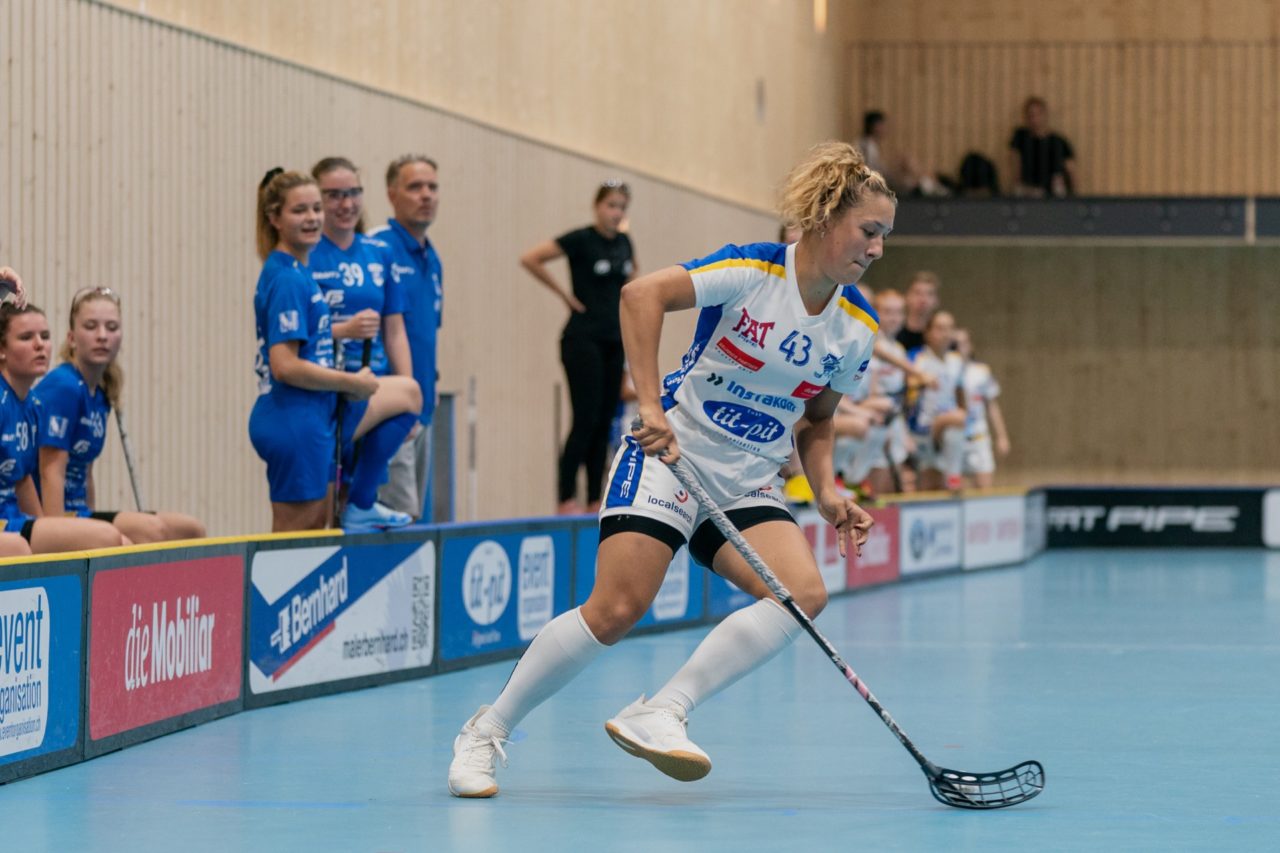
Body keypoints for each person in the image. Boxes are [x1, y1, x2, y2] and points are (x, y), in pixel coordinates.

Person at [447, 140, 890, 798]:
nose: (878, 248)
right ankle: (485, 732)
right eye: (870, 230)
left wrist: (826, 491)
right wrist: (650, 404)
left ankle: (663, 709)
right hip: (670, 454)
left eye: (885, 235)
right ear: (827, 220)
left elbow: (819, 419)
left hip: (744, 480)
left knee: (801, 595)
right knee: (616, 609)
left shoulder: (857, 325)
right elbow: (639, 294)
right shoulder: (751, 269)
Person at [249, 169, 420, 533]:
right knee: (297, 541)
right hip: (295, 417)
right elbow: (284, 366)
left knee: (408, 393)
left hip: (316, 411)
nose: (311, 218)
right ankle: (360, 504)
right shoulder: (287, 279)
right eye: (299, 211)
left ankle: (361, 502)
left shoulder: (299, 270)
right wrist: (349, 383)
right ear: (275, 218)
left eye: (315, 209)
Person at [33, 287, 206, 542]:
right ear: (71, 337)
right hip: (56, 514)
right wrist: (59, 540)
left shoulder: (101, 393)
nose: (102, 336)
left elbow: (86, 473)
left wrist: (90, 518)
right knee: (141, 534)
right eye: (91, 326)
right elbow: (50, 472)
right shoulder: (64, 386)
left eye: (112, 328)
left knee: (190, 529)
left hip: (79, 510)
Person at [309, 157, 420, 508]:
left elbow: (395, 331)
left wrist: (406, 386)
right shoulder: (308, 255)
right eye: (335, 195)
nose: (347, 204)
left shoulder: (378, 254)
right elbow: (299, 333)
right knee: (326, 501)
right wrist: (344, 329)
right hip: (327, 385)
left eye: (354, 193)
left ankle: (362, 502)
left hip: (373, 380)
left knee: (409, 400)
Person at [520, 181, 637, 514]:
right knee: (585, 418)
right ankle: (566, 496)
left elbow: (634, 279)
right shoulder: (581, 240)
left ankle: (594, 498)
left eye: (622, 207)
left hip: (614, 339)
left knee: (604, 419)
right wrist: (564, 295)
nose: (616, 213)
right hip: (582, 338)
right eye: (611, 206)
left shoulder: (625, 243)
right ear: (597, 207)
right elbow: (531, 258)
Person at [0, 303, 125, 553]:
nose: (40, 345)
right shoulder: (59, 388)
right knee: (22, 548)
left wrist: (49, 529)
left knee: (122, 540)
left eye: (45, 337)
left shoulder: (33, 405)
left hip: (14, 518)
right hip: (6, 525)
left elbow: (23, 479)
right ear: (2, 349)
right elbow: (49, 471)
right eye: (26, 338)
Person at [368, 155, 443, 521]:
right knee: (396, 515)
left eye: (432, 187)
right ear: (392, 194)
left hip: (423, 407)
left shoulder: (433, 259)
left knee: (413, 517)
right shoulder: (376, 250)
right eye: (415, 187)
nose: (426, 195)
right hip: (390, 409)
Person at [905, 310, 966, 492]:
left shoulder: (957, 360)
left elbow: (960, 393)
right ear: (928, 332)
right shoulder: (917, 356)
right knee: (927, 480)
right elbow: (908, 384)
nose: (945, 333)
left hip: (946, 426)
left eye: (949, 328)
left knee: (957, 423)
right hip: (922, 428)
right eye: (940, 328)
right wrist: (922, 380)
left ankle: (953, 476)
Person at [953, 328, 1010, 488]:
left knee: (984, 490)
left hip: (978, 437)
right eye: (955, 344)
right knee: (956, 491)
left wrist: (1002, 436)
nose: (959, 348)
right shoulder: (946, 371)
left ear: (970, 346)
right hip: (954, 439)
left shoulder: (981, 372)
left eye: (963, 343)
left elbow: (992, 406)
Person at [1009, 96, 1076, 198]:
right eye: (1031, 115)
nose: (1035, 119)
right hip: (1029, 190)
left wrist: (1073, 196)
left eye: (1038, 114)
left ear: (1045, 114)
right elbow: (1015, 165)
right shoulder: (1021, 137)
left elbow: (1071, 171)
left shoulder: (1058, 141)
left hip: (1054, 191)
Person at [896, 270, 940, 351]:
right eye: (917, 293)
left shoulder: (944, 338)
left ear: (936, 300)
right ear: (907, 297)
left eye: (929, 294)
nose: (923, 299)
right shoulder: (894, 333)